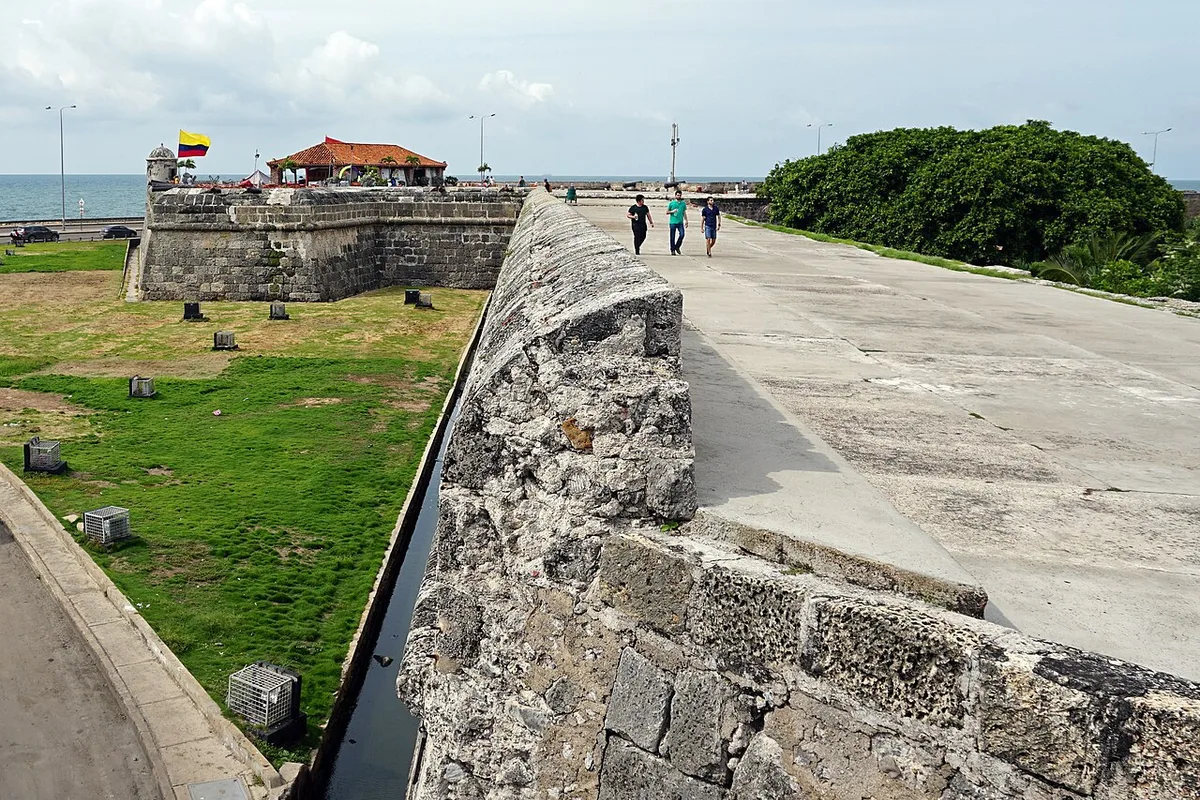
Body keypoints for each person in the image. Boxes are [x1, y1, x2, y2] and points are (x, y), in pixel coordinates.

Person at [667, 189, 688, 254]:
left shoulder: (683, 204)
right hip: (673, 222)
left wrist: (686, 220)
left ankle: (677, 246)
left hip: (680, 222)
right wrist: (672, 211)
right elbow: (667, 212)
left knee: (682, 234)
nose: (679, 196)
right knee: (672, 236)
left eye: (680, 195)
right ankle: (672, 249)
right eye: (677, 195)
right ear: (675, 195)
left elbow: (684, 212)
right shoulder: (672, 203)